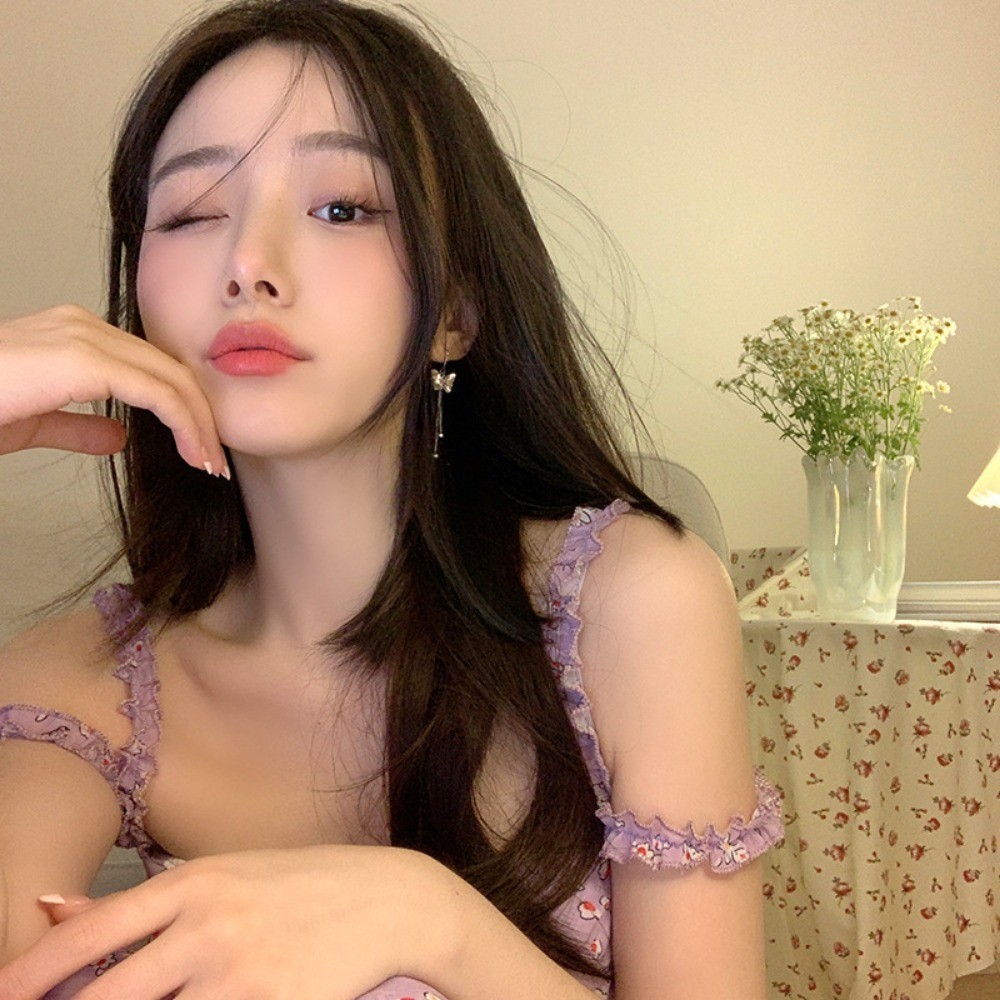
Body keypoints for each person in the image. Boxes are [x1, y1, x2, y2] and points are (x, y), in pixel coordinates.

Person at [0, 1, 784, 997]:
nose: (247, 265)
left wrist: (431, 922)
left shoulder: (634, 602)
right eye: (193, 212)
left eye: (343, 208)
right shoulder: (81, 683)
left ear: (455, 309)